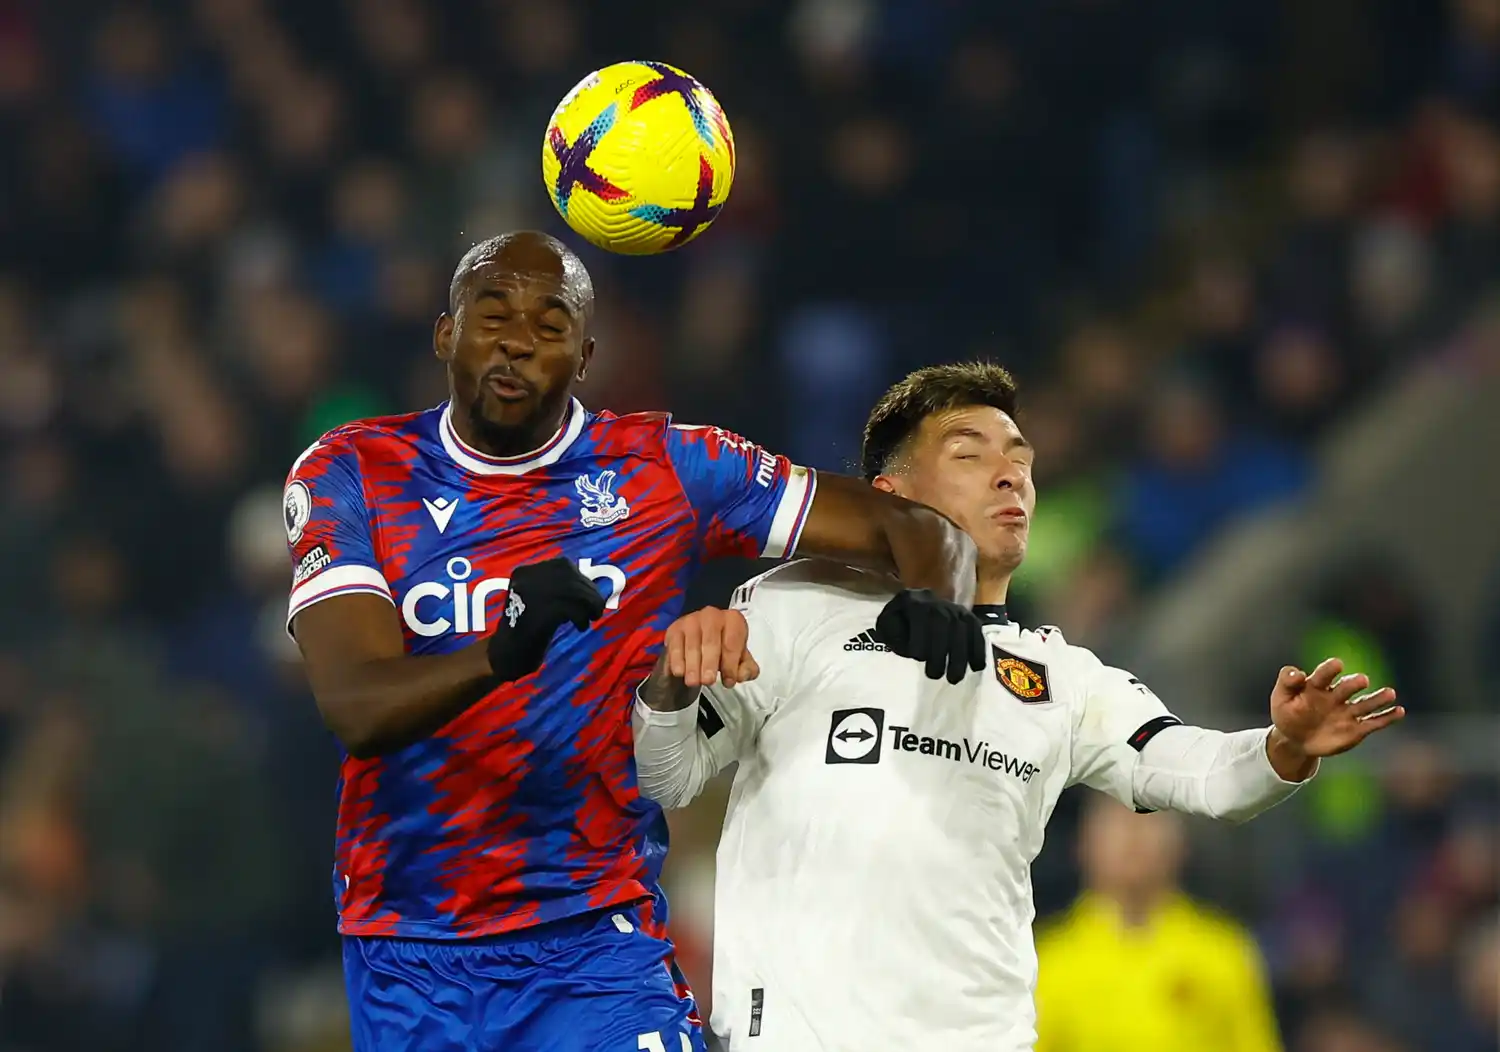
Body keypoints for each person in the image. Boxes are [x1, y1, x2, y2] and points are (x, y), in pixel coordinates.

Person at [283, 232, 988, 1052]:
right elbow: (357, 705)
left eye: (550, 326)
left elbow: (911, 530)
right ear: (446, 333)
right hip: (411, 950)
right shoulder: (352, 472)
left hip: (593, 936)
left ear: (584, 357)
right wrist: (502, 651)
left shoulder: (663, 470)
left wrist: (945, 599)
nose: (517, 340)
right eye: (493, 315)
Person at [632, 361, 1404, 1052]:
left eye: (1020, 460)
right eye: (970, 455)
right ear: (890, 498)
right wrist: (671, 683)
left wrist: (1284, 745)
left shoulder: (1063, 677)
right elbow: (666, 776)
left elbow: (1203, 774)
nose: (1011, 477)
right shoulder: (796, 608)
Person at [1033, 797, 1283, 1052]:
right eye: (1116, 822)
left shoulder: (1224, 952)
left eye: (1149, 818)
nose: (1133, 835)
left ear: (1181, 844)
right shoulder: (1044, 964)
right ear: (1083, 845)